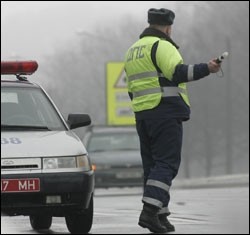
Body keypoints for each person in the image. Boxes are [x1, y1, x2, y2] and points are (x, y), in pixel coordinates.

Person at [124, 8, 221, 233]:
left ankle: (160, 215)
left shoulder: (132, 50)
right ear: (168, 27)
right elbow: (177, 73)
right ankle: (149, 212)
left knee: (153, 167)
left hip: (143, 115)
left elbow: (131, 87)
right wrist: (207, 68)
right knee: (167, 164)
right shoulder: (163, 45)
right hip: (164, 113)